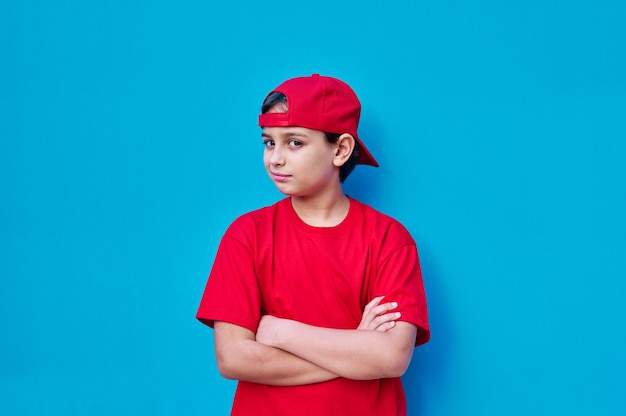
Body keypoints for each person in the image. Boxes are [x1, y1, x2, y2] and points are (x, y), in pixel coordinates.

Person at [197, 74, 430, 416]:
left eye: (294, 142)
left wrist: (280, 331)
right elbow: (233, 358)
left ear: (341, 149)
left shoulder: (389, 240)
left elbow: (390, 357)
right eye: (268, 142)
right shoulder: (246, 235)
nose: (274, 159)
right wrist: (354, 349)